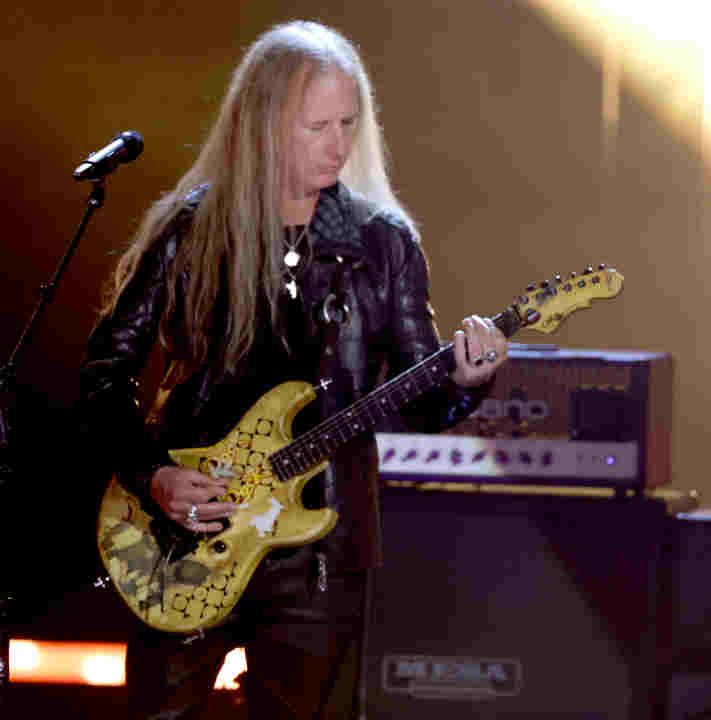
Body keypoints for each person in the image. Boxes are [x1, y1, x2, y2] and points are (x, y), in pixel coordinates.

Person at [78, 21, 507, 718]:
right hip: (188, 530)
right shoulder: (191, 229)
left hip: (321, 555)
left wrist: (469, 379)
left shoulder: (383, 244)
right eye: (317, 127)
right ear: (263, 126)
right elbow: (103, 373)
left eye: (348, 123)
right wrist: (152, 474)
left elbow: (422, 405)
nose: (339, 144)